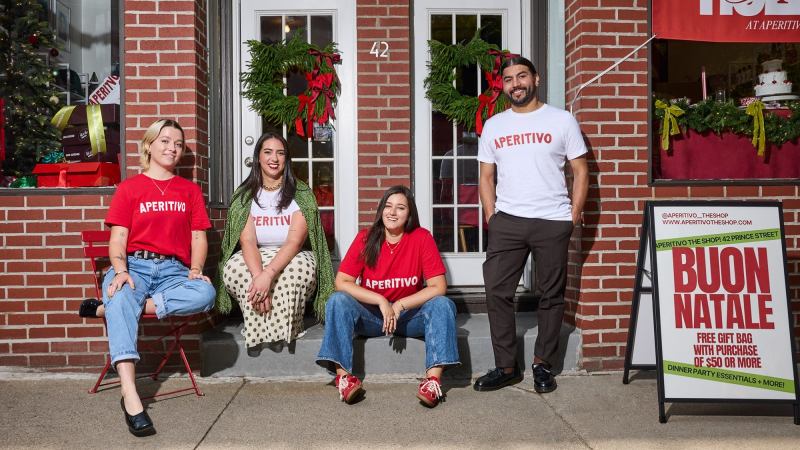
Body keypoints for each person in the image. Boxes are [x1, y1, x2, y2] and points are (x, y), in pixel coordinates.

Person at [77, 119, 216, 436]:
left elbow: (198, 237)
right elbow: (118, 239)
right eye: (165, 141)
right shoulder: (130, 188)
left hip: (173, 272)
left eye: (178, 144)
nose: (172, 148)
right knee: (121, 292)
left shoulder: (189, 191)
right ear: (149, 145)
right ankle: (130, 395)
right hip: (135, 267)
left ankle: (109, 307)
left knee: (206, 294)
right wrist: (121, 271)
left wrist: (196, 270)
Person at [473, 56, 589, 394]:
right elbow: (486, 176)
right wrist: (492, 217)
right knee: (496, 291)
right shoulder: (494, 125)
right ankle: (506, 366)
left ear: (535, 79)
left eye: (521, 76)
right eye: (509, 79)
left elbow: (581, 171)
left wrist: (573, 215)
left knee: (551, 295)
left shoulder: (562, 120)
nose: (516, 84)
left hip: (552, 220)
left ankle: (543, 365)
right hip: (508, 221)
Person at [316, 185, 460, 407]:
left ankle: (432, 382)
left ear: (409, 214)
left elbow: (438, 286)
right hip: (373, 317)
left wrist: (400, 304)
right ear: (381, 209)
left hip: (408, 317)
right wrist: (381, 300)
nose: (392, 212)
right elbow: (342, 282)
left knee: (443, 304)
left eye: (400, 208)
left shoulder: (421, 237)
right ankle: (344, 378)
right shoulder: (366, 238)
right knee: (337, 300)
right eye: (388, 206)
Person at [215, 132, 334, 354]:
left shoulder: (301, 193)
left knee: (293, 272)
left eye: (280, 153)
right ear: (258, 157)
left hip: (293, 253)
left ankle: (287, 331)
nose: (274, 158)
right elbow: (248, 241)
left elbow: (294, 242)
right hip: (256, 253)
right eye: (268, 152)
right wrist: (258, 277)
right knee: (237, 270)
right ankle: (258, 332)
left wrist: (268, 276)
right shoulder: (244, 195)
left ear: (286, 159)